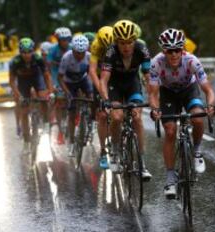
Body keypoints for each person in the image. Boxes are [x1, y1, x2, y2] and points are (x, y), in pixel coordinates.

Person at [149, 28, 215, 198]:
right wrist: (155, 109)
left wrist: (211, 105)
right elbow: (153, 93)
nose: (173, 55)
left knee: (198, 118)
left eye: (177, 50)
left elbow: (208, 90)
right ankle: (170, 178)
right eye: (169, 51)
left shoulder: (192, 61)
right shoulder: (156, 63)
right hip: (168, 93)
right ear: (164, 51)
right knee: (170, 131)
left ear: (182, 49)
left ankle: (197, 151)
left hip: (189, 90)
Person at [99, 19, 152, 180]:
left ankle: (142, 164)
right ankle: (115, 151)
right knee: (117, 117)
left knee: (137, 118)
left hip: (132, 84)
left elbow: (149, 78)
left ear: (135, 41)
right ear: (116, 42)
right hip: (114, 85)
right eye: (122, 43)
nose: (126, 47)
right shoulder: (110, 52)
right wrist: (106, 100)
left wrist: (154, 98)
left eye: (129, 42)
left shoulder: (142, 49)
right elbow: (103, 80)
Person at [9, 38, 53, 154]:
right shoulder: (15, 62)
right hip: (23, 81)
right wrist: (18, 95)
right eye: (24, 52)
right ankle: (26, 142)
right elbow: (12, 81)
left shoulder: (38, 58)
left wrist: (50, 90)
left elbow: (46, 75)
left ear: (33, 51)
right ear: (20, 52)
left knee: (43, 97)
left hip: (36, 78)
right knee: (24, 112)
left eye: (29, 52)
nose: (27, 55)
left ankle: (46, 122)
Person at [58, 35, 93, 157]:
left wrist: (90, 92)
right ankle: (72, 142)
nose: (80, 55)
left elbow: (91, 74)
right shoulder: (66, 58)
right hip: (69, 82)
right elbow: (60, 78)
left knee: (92, 96)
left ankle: (89, 120)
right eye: (77, 53)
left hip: (83, 80)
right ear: (73, 50)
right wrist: (67, 92)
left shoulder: (89, 57)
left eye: (82, 52)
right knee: (72, 112)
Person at [88, 26, 114, 169]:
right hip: (99, 77)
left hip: (114, 76)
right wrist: (100, 89)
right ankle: (103, 151)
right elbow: (92, 71)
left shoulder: (118, 44)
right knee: (103, 115)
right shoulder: (96, 46)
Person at [47, 27, 72, 144]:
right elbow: (48, 63)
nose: (65, 42)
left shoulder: (72, 48)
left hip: (70, 75)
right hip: (57, 76)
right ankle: (61, 130)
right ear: (58, 40)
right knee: (60, 100)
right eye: (63, 40)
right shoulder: (53, 50)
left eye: (67, 39)